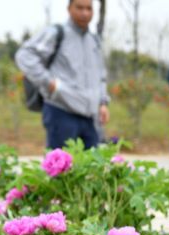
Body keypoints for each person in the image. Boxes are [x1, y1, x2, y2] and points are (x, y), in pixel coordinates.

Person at [16, 0, 109, 150]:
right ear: (69, 8)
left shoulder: (94, 41)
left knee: (93, 169)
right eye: (79, 8)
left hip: (90, 117)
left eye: (89, 8)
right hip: (62, 111)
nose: (85, 13)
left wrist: (103, 103)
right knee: (60, 168)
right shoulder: (57, 33)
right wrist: (49, 83)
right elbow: (25, 56)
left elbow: (101, 76)